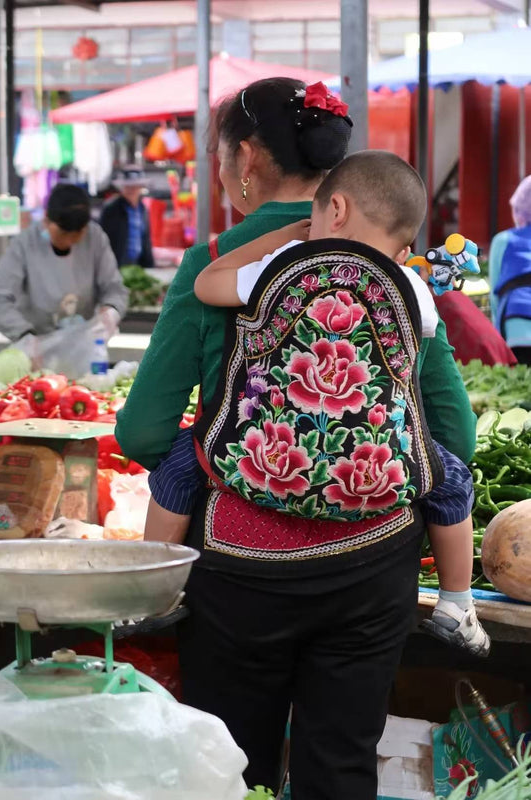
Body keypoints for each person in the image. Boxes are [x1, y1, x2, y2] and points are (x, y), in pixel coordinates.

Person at [116, 78, 477, 800]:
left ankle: (155, 595)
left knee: (229, 770)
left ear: (246, 157)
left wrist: (239, 465)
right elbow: (455, 432)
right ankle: (460, 607)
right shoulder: (405, 282)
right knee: (340, 767)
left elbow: (144, 431)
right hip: (372, 566)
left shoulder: (237, 260)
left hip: (237, 566)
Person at [146, 151, 489, 659]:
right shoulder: (415, 289)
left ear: (336, 209)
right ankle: (456, 604)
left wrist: (284, 239)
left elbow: (207, 283)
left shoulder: (278, 268)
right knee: (454, 479)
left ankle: (156, 591)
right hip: (375, 470)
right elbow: (429, 367)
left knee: (177, 469)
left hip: (262, 455)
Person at [0, 183, 128, 342]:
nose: (69, 241)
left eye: (77, 234)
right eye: (64, 233)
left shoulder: (95, 238)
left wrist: (110, 312)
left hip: (84, 343)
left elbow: (114, 288)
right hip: (37, 344)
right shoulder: (24, 244)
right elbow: (0, 298)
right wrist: (24, 335)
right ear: (46, 220)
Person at [490, 174, 531, 364]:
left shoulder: (503, 240)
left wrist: (498, 334)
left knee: (520, 386)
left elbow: (495, 295)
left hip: (517, 323)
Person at [99, 165, 155, 269]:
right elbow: (102, 239)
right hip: (116, 265)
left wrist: (150, 265)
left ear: (140, 187)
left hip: (137, 265)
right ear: (122, 188)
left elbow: (145, 239)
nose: (131, 190)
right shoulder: (111, 209)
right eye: (128, 186)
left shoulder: (142, 209)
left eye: (135, 186)